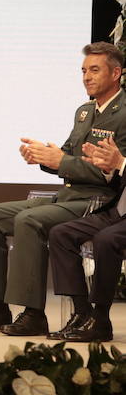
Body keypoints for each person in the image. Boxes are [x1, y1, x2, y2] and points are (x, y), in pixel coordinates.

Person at [0, 42, 126, 336]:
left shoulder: (123, 113)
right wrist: (45, 157)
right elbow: (68, 156)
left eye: (94, 70)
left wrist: (62, 161)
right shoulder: (84, 112)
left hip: (97, 201)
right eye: (83, 71)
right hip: (67, 196)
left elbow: (113, 173)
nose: (86, 77)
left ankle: (33, 314)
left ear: (116, 73)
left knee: (29, 220)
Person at [47, 134, 126, 342]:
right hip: (119, 211)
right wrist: (109, 170)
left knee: (106, 240)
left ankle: (101, 319)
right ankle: (82, 313)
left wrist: (121, 163)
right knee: (61, 234)